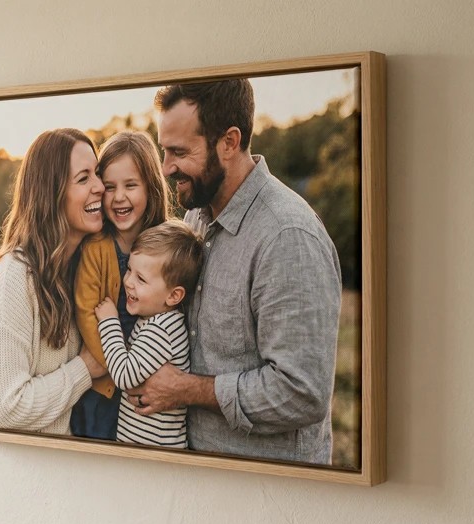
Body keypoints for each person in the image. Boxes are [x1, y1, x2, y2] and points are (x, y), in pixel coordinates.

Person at [127, 80, 342, 464]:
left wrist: (187, 390)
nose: (166, 167)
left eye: (179, 151)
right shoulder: (196, 217)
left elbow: (301, 392)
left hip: (268, 489)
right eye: (164, 150)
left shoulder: (286, 237)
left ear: (228, 142)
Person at [0, 128, 109, 435]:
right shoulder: (14, 277)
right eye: (84, 178)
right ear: (52, 193)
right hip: (8, 473)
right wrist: (85, 369)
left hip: (51, 470)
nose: (100, 186)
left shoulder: (81, 271)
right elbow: (9, 408)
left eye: (97, 173)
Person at [71, 130, 174, 440]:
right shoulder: (96, 247)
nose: (119, 197)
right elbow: (87, 313)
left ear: (151, 188)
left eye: (131, 185)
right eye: (110, 187)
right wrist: (116, 367)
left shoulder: (167, 245)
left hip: (148, 385)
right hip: (104, 387)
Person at [94, 220, 204, 448]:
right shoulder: (155, 319)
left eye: (141, 279)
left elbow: (124, 375)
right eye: (129, 270)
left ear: (174, 296)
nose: (128, 282)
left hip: (154, 456)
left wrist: (109, 322)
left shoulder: (161, 330)